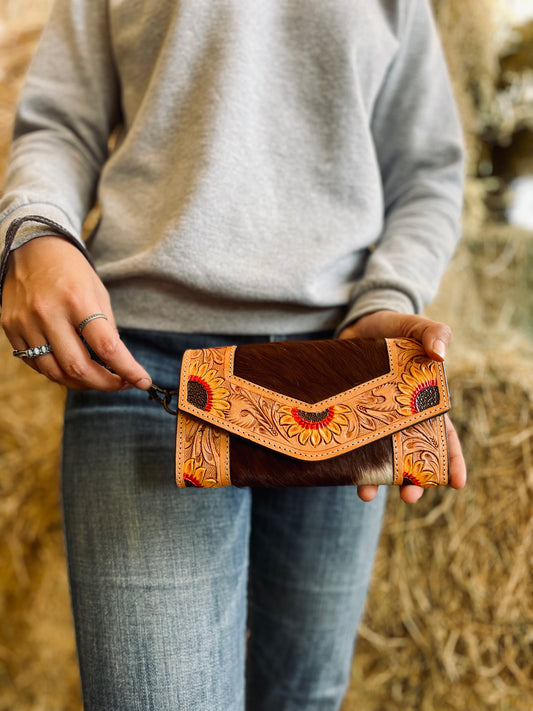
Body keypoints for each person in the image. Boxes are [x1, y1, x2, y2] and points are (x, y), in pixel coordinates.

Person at [0, 0, 467, 709]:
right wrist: (37, 232)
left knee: (304, 695)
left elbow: (427, 174)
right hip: (145, 373)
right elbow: (61, 125)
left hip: (347, 378)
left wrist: (385, 298)